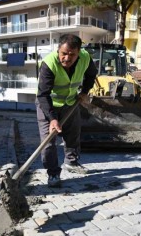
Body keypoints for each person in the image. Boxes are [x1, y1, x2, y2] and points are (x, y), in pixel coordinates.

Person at [35, 34, 98, 188]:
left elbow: (91, 74)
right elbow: (43, 94)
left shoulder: (85, 57)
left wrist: (85, 91)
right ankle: (53, 174)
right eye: (63, 54)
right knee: (48, 142)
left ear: (78, 53)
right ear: (58, 50)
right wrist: (53, 119)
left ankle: (71, 162)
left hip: (70, 102)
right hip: (48, 105)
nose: (67, 58)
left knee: (73, 135)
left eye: (72, 55)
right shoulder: (49, 63)